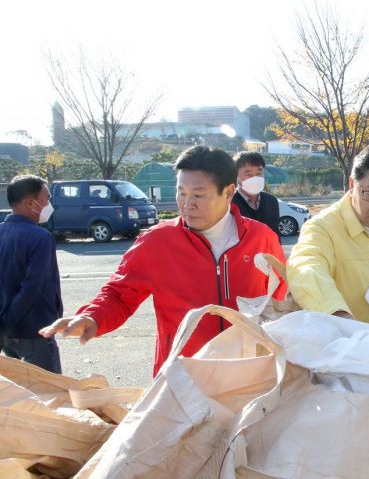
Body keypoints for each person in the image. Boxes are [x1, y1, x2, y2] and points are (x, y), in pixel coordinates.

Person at [40, 145, 287, 376]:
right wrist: (93, 317)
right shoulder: (157, 241)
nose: (187, 204)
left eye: (199, 195)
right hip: (181, 379)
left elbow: (282, 303)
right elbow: (120, 293)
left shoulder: (261, 239)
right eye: (182, 193)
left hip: (249, 376)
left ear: (229, 192)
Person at [287, 142, 369, 327]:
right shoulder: (322, 228)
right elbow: (305, 268)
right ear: (352, 184)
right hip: (350, 346)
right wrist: (338, 316)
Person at [0, 175, 62, 373]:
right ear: (30, 203)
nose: (49, 204)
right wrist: (9, 321)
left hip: (6, 333)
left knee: (20, 396)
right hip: (34, 331)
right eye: (47, 198)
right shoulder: (41, 238)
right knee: (50, 394)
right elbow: (33, 288)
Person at [232, 151, 281, 238]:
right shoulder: (229, 203)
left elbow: (275, 235)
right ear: (236, 176)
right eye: (249, 174)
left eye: (259, 173)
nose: (255, 178)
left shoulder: (272, 201)